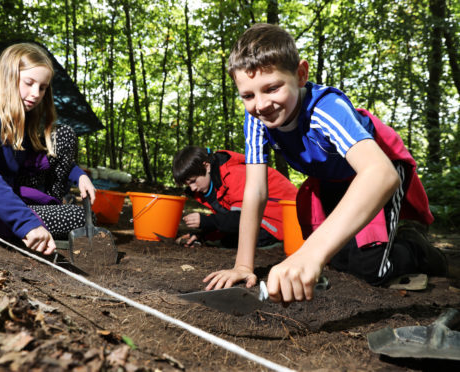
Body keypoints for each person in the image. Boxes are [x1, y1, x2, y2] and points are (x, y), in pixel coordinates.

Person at [203, 23, 449, 303]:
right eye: (248, 95)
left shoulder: (326, 109)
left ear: (300, 74)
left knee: (371, 270)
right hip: (332, 178)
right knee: (337, 260)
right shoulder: (257, 120)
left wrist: (309, 253)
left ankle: (417, 249)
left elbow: (380, 174)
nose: (261, 104)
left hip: (378, 168)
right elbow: (256, 191)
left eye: (272, 88)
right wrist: (243, 265)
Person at [0, 42, 96, 256]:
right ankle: (39, 223)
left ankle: (49, 209)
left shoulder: (15, 117)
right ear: (7, 77)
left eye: (42, 87)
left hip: (1, 197)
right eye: (29, 83)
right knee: (79, 218)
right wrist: (26, 223)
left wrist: (79, 175)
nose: (36, 93)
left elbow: (33, 156)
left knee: (63, 135)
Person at [172, 146, 297, 248]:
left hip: (287, 220)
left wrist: (207, 221)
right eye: (188, 184)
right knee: (231, 239)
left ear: (207, 166)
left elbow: (242, 218)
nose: (193, 188)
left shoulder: (233, 174)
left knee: (237, 241)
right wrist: (203, 235)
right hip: (261, 217)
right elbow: (227, 219)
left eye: (193, 181)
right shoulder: (213, 185)